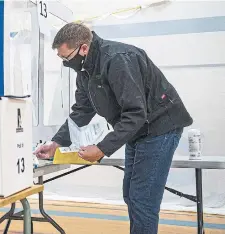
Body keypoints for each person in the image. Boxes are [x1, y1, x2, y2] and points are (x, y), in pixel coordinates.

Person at [34, 23, 193, 234]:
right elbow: (81, 110)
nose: (65, 64)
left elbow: (136, 112)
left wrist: (101, 148)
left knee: (143, 198)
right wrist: (56, 143)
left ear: (83, 48)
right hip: (138, 130)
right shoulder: (85, 70)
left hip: (160, 127)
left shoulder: (118, 59)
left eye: (66, 58)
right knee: (131, 194)